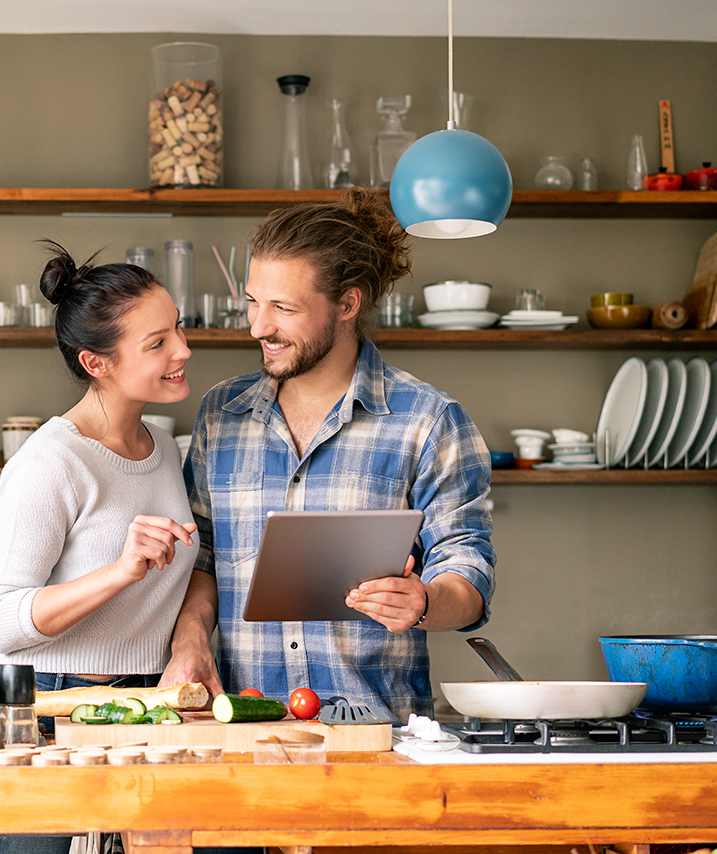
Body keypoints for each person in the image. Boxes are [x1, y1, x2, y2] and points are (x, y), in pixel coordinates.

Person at [162, 190, 496, 725]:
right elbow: (200, 557)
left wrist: (424, 601)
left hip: (377, 736)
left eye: (284, 308)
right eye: (253, 300)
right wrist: (190, 641)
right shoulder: (221, 414)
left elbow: (469, 571)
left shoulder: (428, 421)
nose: (257, 327)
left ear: (347, 304)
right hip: (245, 726)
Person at [0, 241, 198, 854]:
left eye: (176, 328)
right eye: (156, 343)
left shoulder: (163, 447)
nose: (182, 350)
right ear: (96, 363)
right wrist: (120, 571)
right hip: (37, 708)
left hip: (145, 702)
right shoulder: (49, 463)